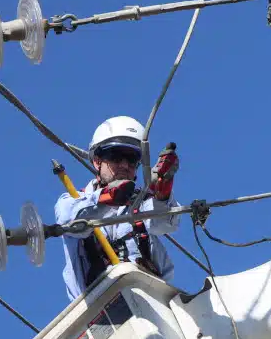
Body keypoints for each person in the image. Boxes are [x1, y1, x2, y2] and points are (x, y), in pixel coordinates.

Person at [56, 116, 181, 301]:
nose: (124, 165)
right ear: (97, 161)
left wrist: (162, 191)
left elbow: (164, 223)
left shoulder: (142, 203)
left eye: (131, 159)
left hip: (151, 301)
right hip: (99, 307)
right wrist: (108, 197)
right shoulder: (73, 201)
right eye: (115, 157)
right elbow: (70, 221)